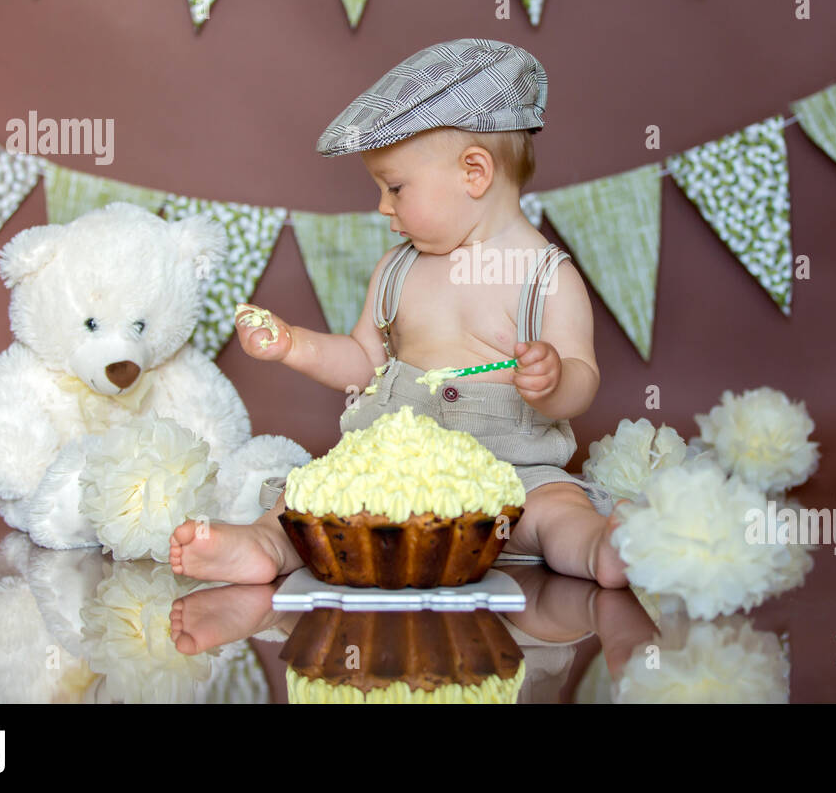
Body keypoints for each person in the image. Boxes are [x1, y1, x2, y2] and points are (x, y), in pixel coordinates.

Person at [169, 38, 628, 588]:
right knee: (310, 497)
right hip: (392, 476)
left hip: (512, 480)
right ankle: (264, 544)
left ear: (474, 172)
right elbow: (365, 361)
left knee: (558, 510)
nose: (383, 207)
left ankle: (601, 549)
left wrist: (554, 381)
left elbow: (583, 378)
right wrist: (295, 344)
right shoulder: (398, 270)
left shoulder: (546, 276)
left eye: (395, 188)